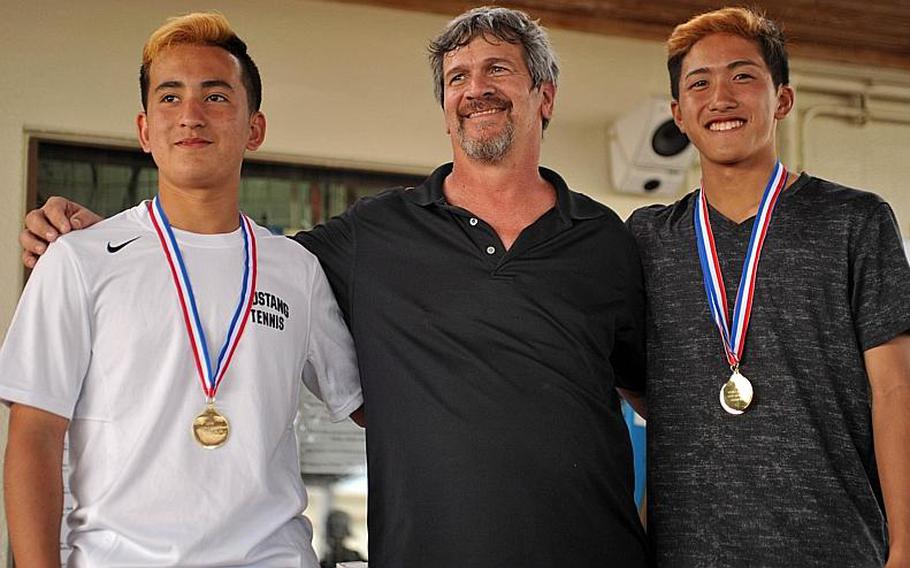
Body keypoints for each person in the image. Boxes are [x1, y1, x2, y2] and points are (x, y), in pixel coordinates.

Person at [19, 6, 649, 567]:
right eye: (458, 77)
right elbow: (206, 258)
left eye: (499, 71)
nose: (475, 89)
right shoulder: (368, 236)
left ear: (545, 95)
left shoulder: (609, 241)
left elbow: (660, 399)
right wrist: (98, 244)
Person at [2, 13, 363, 567]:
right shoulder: (78, 260)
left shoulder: (296, 270)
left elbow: (364, 405)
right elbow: (34, 441)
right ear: (145, 130)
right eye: (169, 98)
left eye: (216, 97)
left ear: (255, 128)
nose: (191, 115)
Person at [626, 7, 910, 566]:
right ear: (679, 113)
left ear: (782, 99)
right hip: (685, 550)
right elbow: (632, 378)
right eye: (699, 83)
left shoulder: (855, 220)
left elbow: (895, 391)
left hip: (835, 544)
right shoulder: (647, 239)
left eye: (743, 76)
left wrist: (904, 544)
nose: (721, 97)